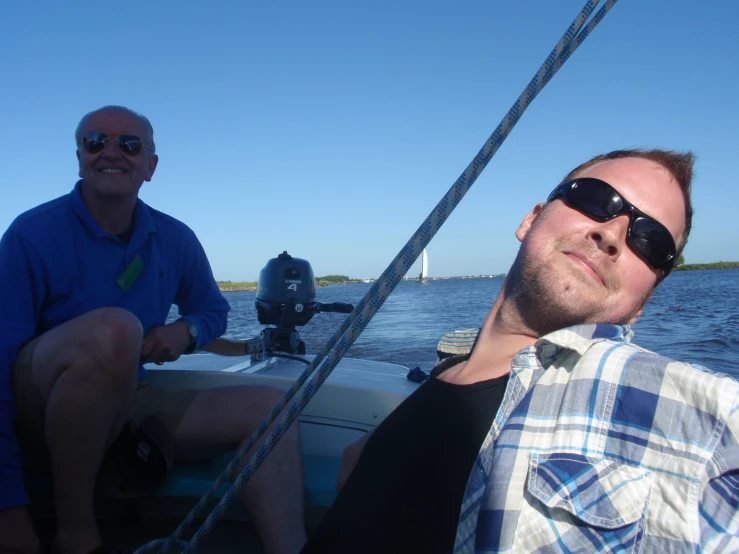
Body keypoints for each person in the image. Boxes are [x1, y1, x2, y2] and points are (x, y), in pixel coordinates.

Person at [300, 148, 739, 553]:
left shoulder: (684, 416)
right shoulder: (449, 376)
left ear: (641, 305)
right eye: (595, 199)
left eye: (652, 242)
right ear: (531, 219)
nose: (612, 233)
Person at [0, 106, 306, 554]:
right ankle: (77, 536)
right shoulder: (30, 235)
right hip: (38, 410)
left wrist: (187, 332)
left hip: (129, 396)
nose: (111, 152)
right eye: (95, 141)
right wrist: (8, 508)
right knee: (115, 330)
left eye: (129, 145)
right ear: (79, 156)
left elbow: (210, 309)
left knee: (273, 408)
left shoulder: (173, 238)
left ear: (150, 166)